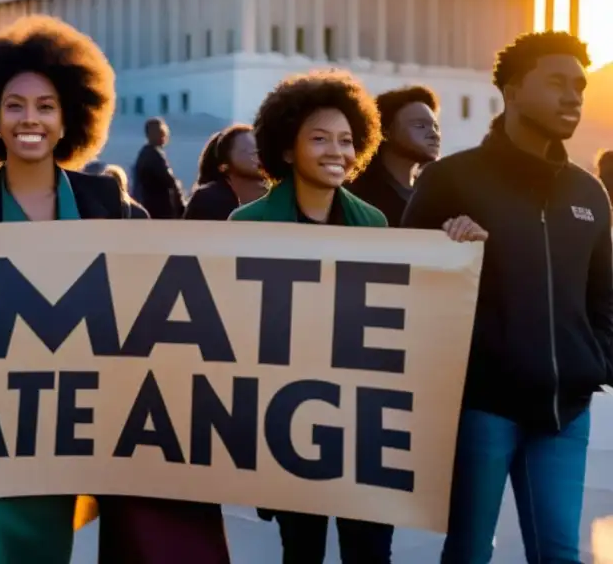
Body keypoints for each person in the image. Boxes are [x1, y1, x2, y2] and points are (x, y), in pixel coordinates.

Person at [0, 15, 230, 564]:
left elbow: (173, 280)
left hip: (91, 421)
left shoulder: (107, 201)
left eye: (46, 106)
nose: (31, 119)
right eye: (15, 105)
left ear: (69, 117)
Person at [402, 31, 604, 563]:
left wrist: (593, 361)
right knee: (470, 551)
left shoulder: (589, 193)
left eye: (580, 86)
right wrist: (444, 246)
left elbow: (604, 296)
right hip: (483, 408)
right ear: (513, 92)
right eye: (557, 83)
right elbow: (409, 285)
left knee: (559, 554)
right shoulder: (451, 179)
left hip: (566, 411)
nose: (573, 97)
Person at [229, 70, 395, 563]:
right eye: (319, 139)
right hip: (289, 425)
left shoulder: (375, 223)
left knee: (370, 554)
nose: (336, 152)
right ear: (286, 149)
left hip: (360, 428)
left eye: (347, 141)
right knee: (301, 553)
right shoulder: (247, 225)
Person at [347, 85, 441, 226]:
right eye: (420, 126)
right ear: (385, 132)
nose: (434, 134)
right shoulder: (354, 195)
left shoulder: (434, 194)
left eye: (436, 127)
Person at [183, 124, 266, 220]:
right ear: (224, 165)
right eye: (246, 151)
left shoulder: (279, 196)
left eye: (258, 149)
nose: (257, 156)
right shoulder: (209, 200)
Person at [132, 117, 184, 219]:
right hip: (159, 211)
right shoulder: (153, 156)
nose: (164, 136)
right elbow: (169, 181)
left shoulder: (146, 154)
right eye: (161, 132)